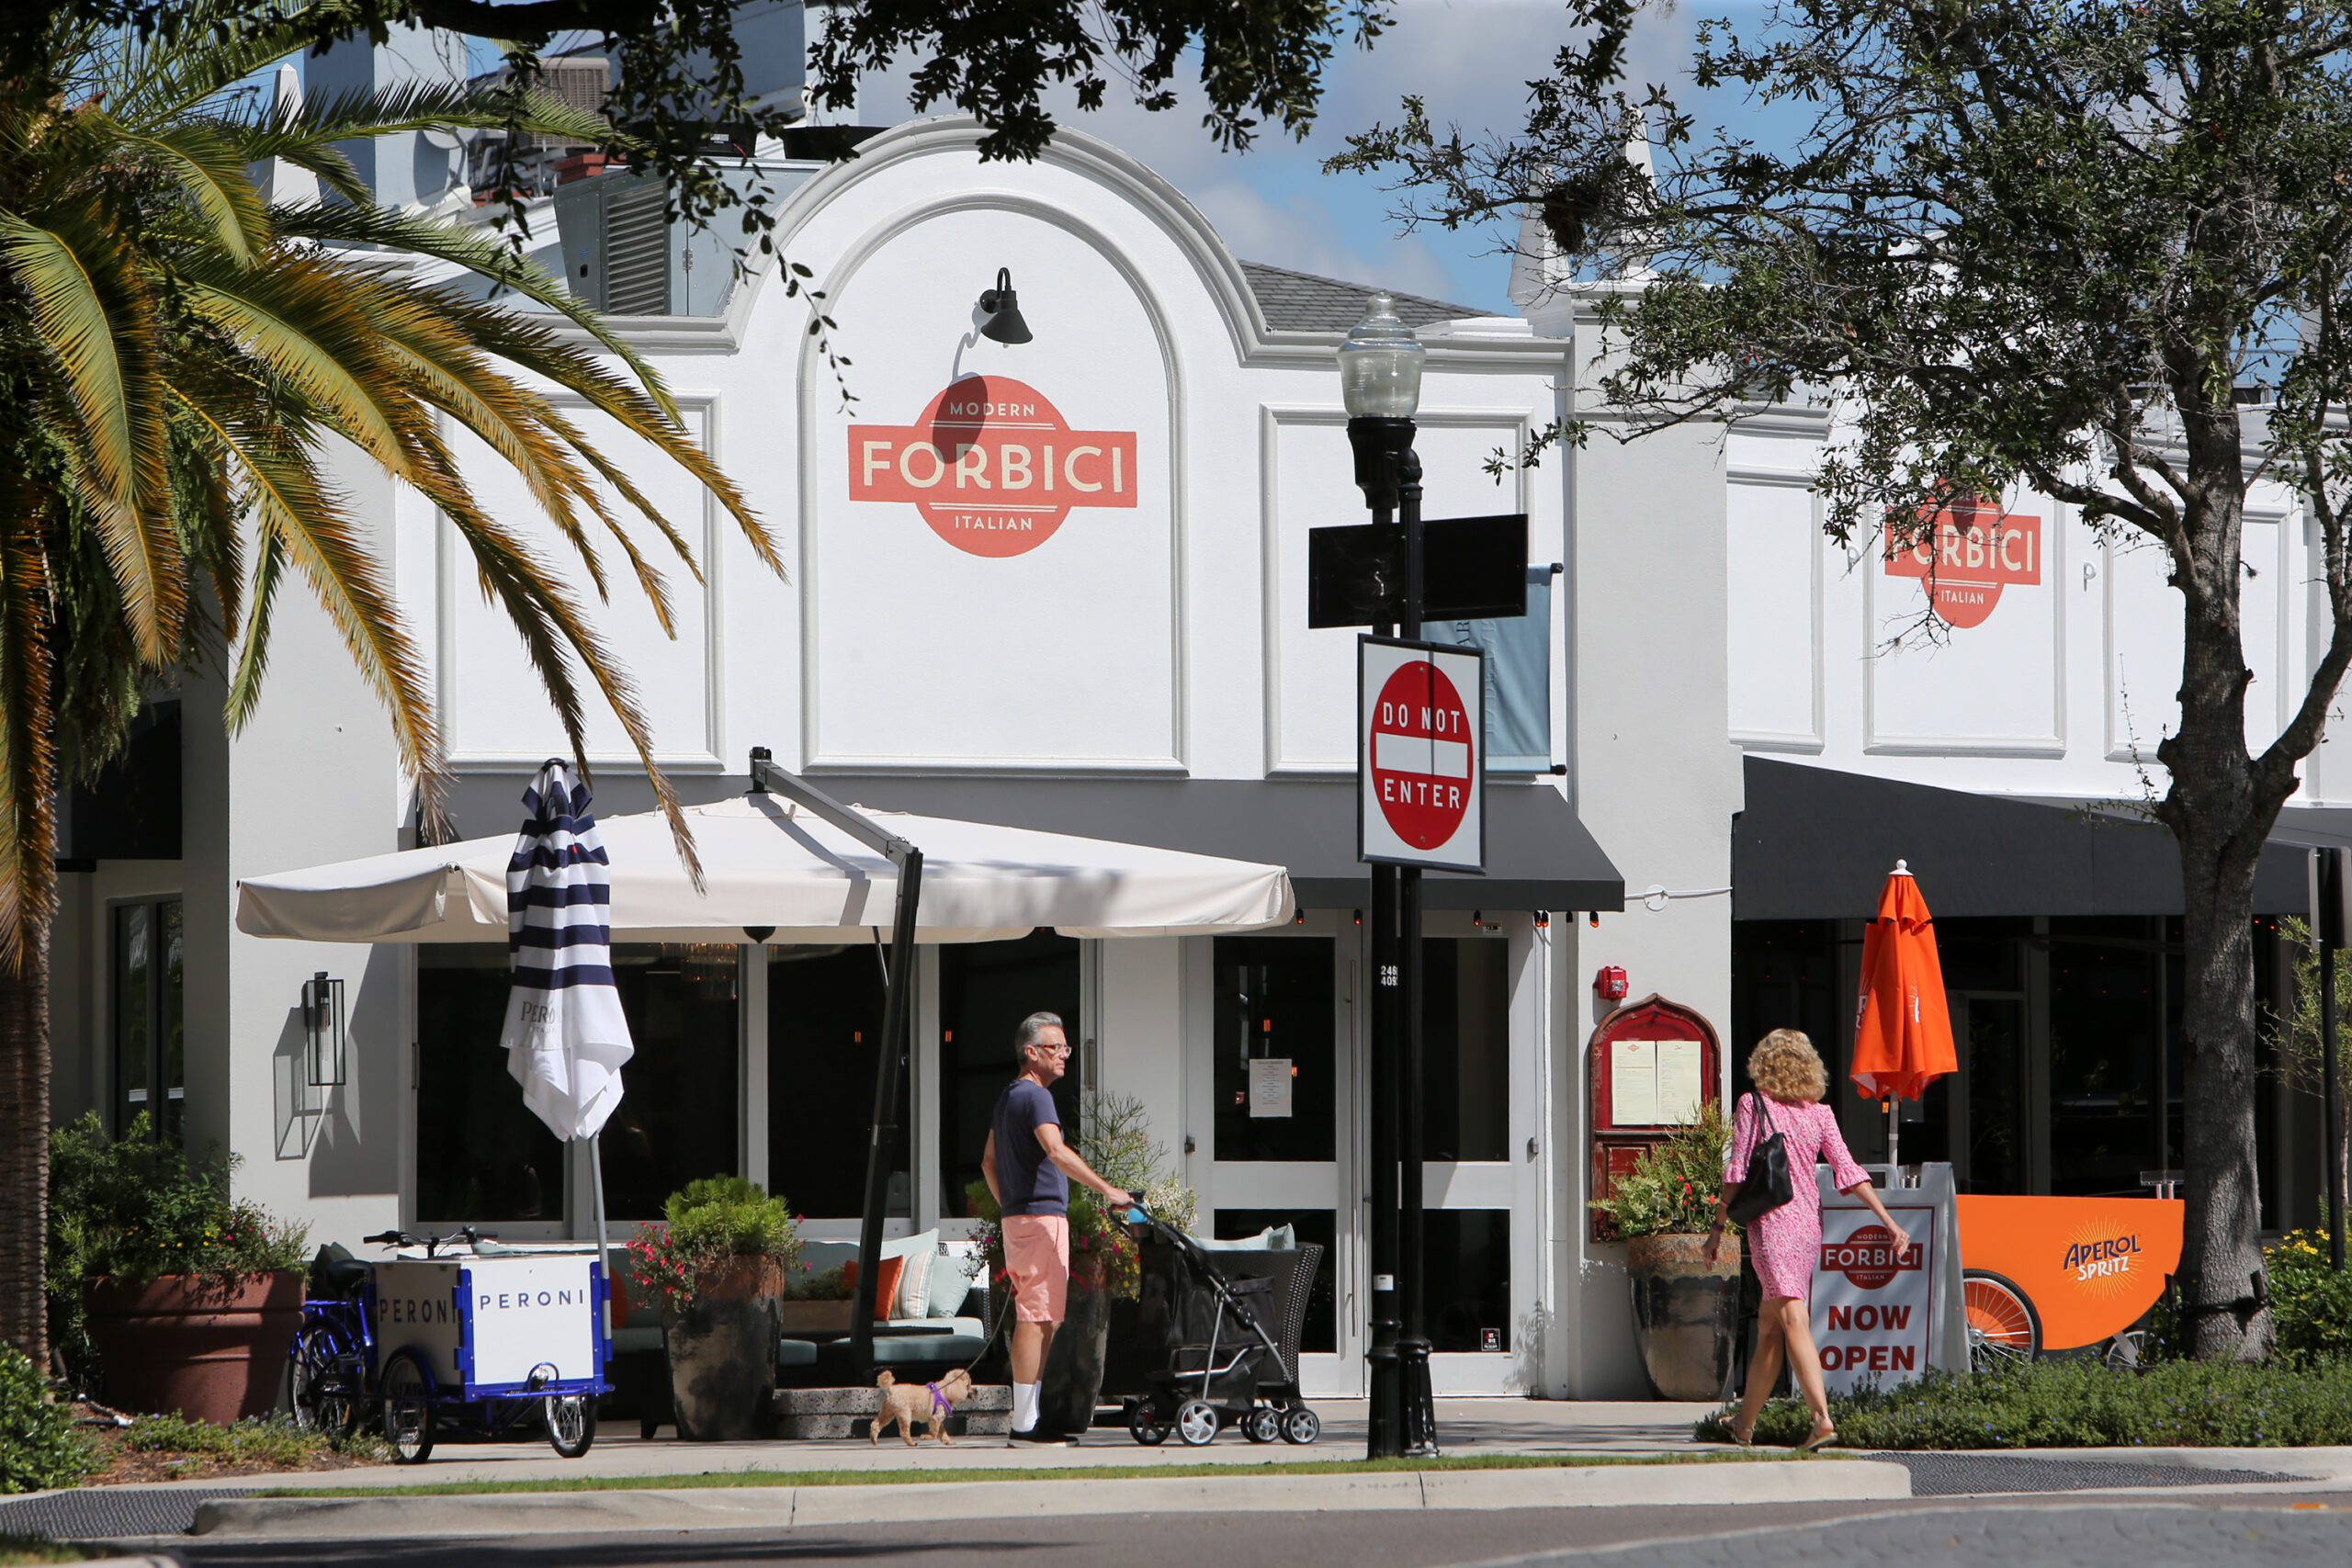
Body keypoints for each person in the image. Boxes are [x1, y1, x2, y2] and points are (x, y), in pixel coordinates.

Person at [1703, 1027, 1911, 1450]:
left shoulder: (1752, 1104)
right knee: (1769, 1328)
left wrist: (1718, 1228)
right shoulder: (1820, 1113)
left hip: (1772, 1225)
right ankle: (1744, 1426)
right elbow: (1848, 1171)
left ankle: (1821, 1419)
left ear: (1765, 1063)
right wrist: (1888, 1220)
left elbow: (1738, 1173)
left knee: (1792, 1316)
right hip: (1807, 1225)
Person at [981, 1010, 1134, 1443]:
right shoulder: (1036, 1097)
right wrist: (1109, 1191)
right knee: (1036, 1316)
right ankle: (1024, 1423)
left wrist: (1009, 1205)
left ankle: (1030, 1419)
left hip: (1023, 1217)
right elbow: (1056, 1151)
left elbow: (988, 1162)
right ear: (1031, 1053)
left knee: (1043, 1316)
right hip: (1040, 1218)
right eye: (1056, 1048)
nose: (1065, 1055)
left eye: (1066, 1048)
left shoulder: (1008, 1096)